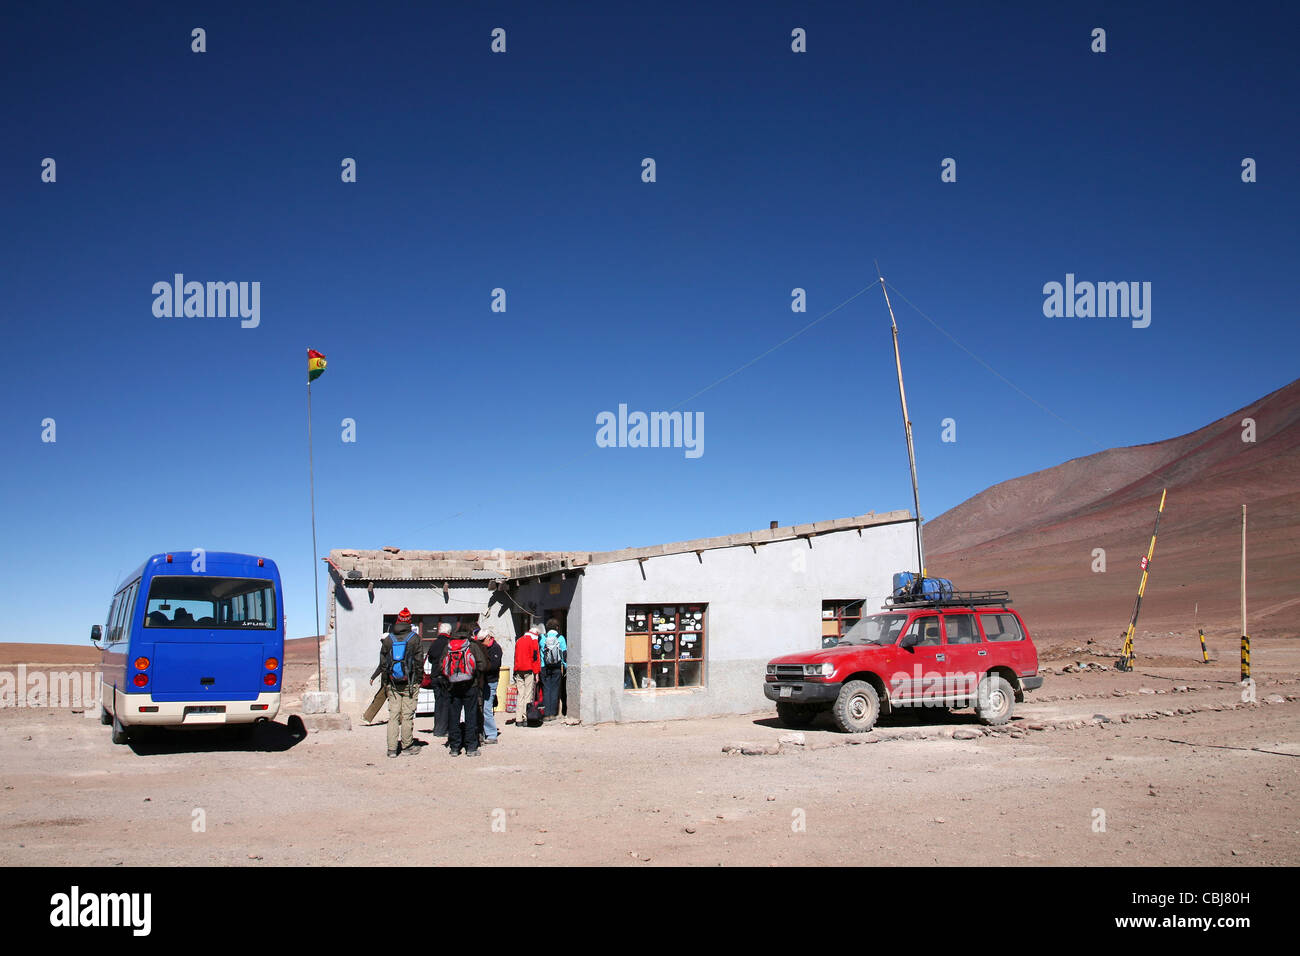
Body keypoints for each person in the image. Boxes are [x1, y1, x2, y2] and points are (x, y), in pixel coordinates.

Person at [370, 608, 426, 757]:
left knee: (393, 716)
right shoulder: (414, 638)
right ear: (409, 621)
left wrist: (386, 683)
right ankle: (407, 746)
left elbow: (383, 663)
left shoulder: (389, 639)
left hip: (392, 683)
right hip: (410, 683)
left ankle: (392, 749)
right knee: (407, 715)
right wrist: (418, 680)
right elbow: (419, 662)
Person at [440, 623, 487, 756]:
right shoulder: (471, 645)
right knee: (471, 714)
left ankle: (455, 747)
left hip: (453, 686)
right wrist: (475, 675)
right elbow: (482, 665)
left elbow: (441, 665)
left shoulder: (449, 645)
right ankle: (471, 747)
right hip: (470, 685)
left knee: (454, 715)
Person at [476, 626, 504, 744]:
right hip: (483, 681)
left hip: (491, 681)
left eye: (482, 640)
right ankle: (484, 732)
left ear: (488, 637)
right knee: (483, 708)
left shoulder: (495, 648)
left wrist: (481, 667)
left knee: (487, 708)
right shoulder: (482, 647)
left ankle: (492, 735)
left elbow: (494, 665)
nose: (481, 643)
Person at [512, 623, 541, 727]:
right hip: (528, 669)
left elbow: (515, 656)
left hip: (518, 669)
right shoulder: (533, 641)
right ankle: (525, 717)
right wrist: (537, 673)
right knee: (528, 694)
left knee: (520, 694)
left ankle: (518, 719)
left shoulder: (519, 640)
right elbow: (535, 658)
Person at [539, 618, 567, 722]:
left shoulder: (542, 638)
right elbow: (564, 653)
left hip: (544, 667)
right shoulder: (561, 638)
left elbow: (540, 652)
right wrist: (565, 666)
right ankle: (553, 714)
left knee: (546, 689)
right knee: (555, 689)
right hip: (556, 667)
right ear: (557, 628)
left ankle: (546, 714)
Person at [429, 622, 453, 738]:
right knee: (447, 702)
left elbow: (430, 658)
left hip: (434, 676)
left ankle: (437, 727)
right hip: (445, 676)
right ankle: (444, 729)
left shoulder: (434, 643)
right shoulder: (449, 643)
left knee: (438, 702)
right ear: (449, 632)